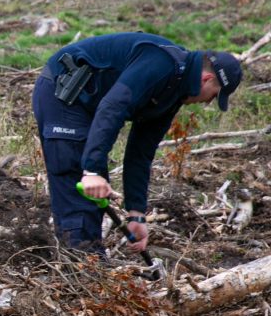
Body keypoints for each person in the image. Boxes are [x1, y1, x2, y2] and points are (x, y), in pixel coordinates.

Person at [33, 32, 242, 252]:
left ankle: (89, 264)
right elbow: (112, 108)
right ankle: (82, 270)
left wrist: (137, 214)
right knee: (79, 185)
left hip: (88, 105)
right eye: (214, 96)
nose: (208, 102)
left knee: (94, 193)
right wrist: (91, 171)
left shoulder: (173, 92)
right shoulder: (160, 64)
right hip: (63, 93)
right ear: (205, 79)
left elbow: (140, 153)